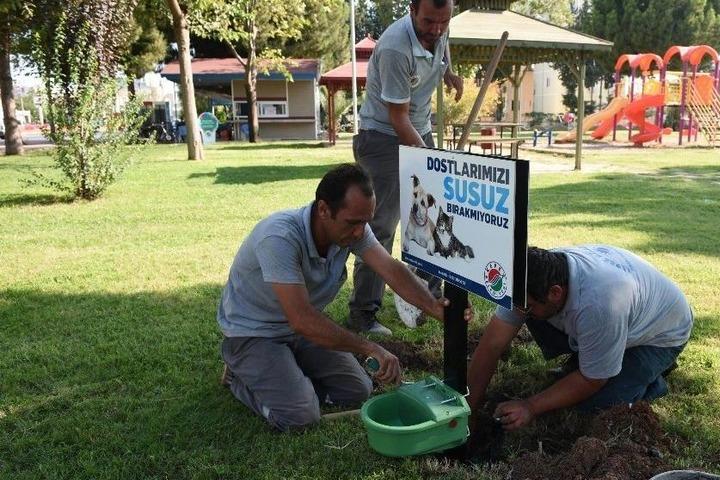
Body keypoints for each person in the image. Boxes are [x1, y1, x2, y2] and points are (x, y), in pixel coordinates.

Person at [217, 164, 470, 431]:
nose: (361, 232)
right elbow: (302, 319)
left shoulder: (351, 230)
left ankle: (289, 379)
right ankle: (238, 376)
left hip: (299, 333)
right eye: (353, 222)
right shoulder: (279, 237)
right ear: (324, 209)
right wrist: (370, 347)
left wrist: (433, 306)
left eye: (366, 221)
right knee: (300, 417)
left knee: (358, 390)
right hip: (254, 334)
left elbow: (390, 269)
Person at [468, 245, 693, 431]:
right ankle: (600, 355)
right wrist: (468, 409)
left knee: (596, 404)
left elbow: (593, 379)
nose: (521, 311)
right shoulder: (533, 279)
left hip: (661, 335)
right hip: (617, 317)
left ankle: (652, 379)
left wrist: (530, 406)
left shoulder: (600, 306)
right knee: (535, 315)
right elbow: (492, 344)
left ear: (555, 292)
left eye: (527, 307)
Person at [349, 0, 464, 335]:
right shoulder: (395, 49)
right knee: (379, 227)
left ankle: (429, 295)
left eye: (444, 21)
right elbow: (397, 118)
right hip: (382, 137)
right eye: (429, 22)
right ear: (412, 10)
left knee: (431, 214)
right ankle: (363, 314)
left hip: (418, 127)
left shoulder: (439, 26)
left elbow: (442, 48)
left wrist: (450, 74)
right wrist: (429, 159)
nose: (436, 29)